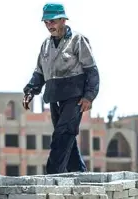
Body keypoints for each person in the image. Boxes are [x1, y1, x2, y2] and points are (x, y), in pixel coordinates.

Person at [22, 3, 100, 174]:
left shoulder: (78, 40)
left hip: (75, 97)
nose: (50, 25)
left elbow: (91, 69)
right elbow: (40, 73)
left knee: (62, 135)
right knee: (67, 138)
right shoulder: (45, 46)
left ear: (63, 20)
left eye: (53, 21)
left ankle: (52, 175)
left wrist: (89, 96)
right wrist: (29, 91)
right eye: (46, 22)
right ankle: (79, 173)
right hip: (54, 97)